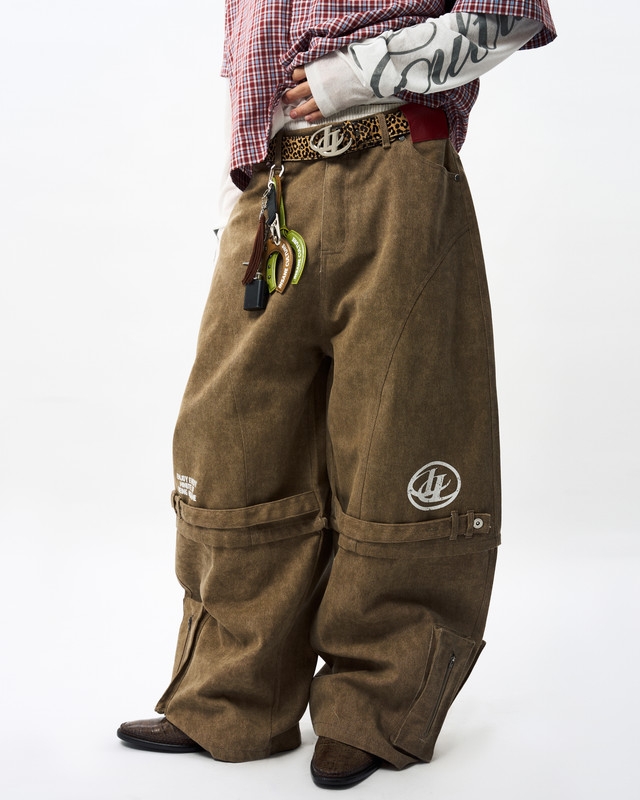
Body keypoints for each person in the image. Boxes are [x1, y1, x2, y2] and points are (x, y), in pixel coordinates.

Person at [118, 0, 556, 789]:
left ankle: (372, 708)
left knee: (401, 434)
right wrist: (232, 208)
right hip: (272, 189)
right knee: (230, 442)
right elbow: (251, 78)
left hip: (395, 164)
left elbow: (509, 14)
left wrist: (357, 75)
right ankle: (230, 698)